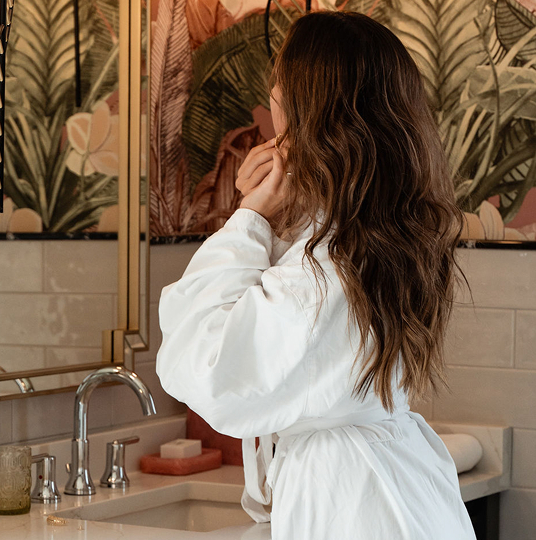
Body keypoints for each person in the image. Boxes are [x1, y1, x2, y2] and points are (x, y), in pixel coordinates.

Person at [155, 11, 476, 540]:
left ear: (309, 107)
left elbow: (209, 369)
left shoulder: (330, 265)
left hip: (354, 504)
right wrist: (268, 222)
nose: (271, 97)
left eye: (280, 85)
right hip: (395, 495)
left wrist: (250, 223)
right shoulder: (369, 237)